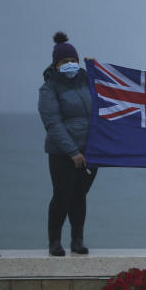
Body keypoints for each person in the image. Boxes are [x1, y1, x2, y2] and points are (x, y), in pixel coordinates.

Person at [38, 31, 97, 256]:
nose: (70, 64)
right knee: (62, 195)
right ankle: (54, 241)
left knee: (79, 195)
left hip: (90, 152)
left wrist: (96, 69)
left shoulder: (89, 82)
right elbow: (53, 123)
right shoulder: (49, 89)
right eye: (65, 61)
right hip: (62, 153)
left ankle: (77, 240)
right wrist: (72, 151)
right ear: (56, 64)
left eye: (74, 60)